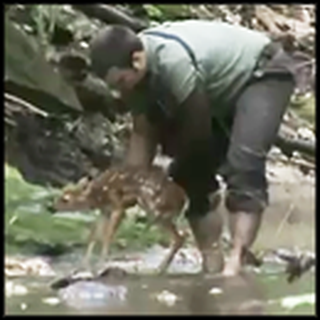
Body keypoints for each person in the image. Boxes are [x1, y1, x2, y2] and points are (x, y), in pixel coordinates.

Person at [88, 20, 304, 276]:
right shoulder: (133, 79)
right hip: (217, 91)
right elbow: (143, 133)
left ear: (137, 60)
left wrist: (172, 175)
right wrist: (127, 186)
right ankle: (212, 262)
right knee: (188, 175)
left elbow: (197, 132)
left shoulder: (172, 62)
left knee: (243, 165)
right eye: (113, 86)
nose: (118, 91)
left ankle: (236, 263)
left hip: (262, 73)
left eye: (121, 82)